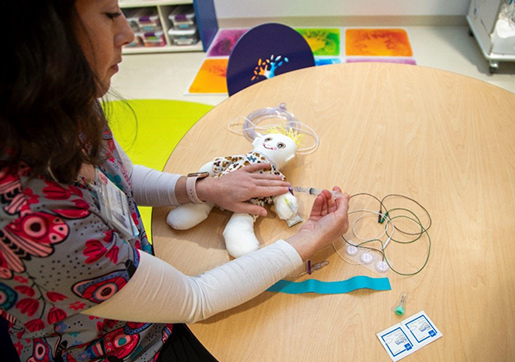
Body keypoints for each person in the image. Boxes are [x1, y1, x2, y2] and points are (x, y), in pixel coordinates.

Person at [0, 1, 351, 361]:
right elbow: (195, 298)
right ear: (43, 39)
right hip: (124, 347)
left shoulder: (61, 104)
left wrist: (202, 188)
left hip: (140, 285)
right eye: (109, 15)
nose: (128, 32)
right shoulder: (35, 220)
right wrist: (308, 239)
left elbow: (121, 178)